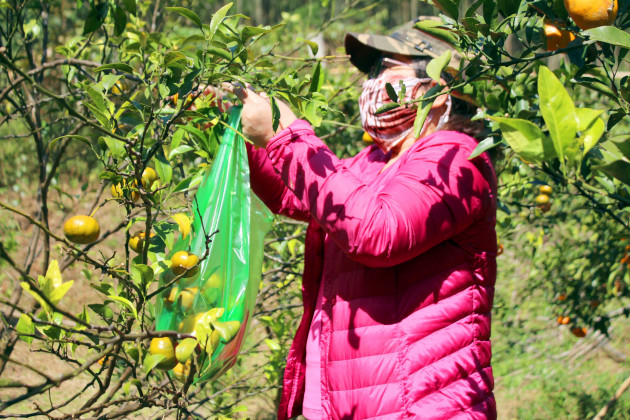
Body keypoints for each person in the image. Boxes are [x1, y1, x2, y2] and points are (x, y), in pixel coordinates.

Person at [225, 16, 497, 420]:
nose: (372, 83)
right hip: (354, 403)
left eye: (387, 70)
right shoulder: (376, 162)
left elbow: (376, 232)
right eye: (372, 71)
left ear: (439, 92)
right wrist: (246, 135)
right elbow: (295, 193)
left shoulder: (455, 160)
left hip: (417, 407)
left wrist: (285, 137)